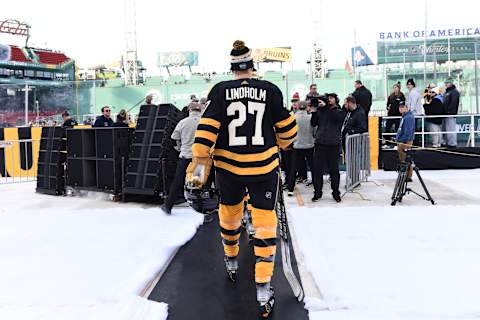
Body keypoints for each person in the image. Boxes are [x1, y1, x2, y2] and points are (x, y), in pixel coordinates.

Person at [187, 40, 297, 318]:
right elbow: (287, 132)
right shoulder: (270, 90)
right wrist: (282, 142)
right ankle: (262, 287)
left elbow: (205, 134)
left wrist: (197, 172)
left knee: (230, 216)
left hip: (229, 169)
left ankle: (232, 258)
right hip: (263, 169)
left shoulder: (220, 90)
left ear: (232, 67)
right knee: (265, 225)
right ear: (253, 66)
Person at [161, 102, 203, 215]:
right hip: (199, 158)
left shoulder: (183, 122)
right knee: (197, 184)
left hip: (185, 156)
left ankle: (168, 206)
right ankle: (200, 210)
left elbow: (174, 137)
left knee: (178, 182)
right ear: (200, 110)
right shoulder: (204, 121)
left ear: (189, 110)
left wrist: (180, 148)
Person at [310, 92, 345, 203]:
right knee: (317, 170)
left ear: (336, 100)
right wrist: (315, 111)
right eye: (327, 98)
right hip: (320, 143)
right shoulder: (321, 111)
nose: (329, 100)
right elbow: (313, 123)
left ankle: (335, 192)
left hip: (333, 145)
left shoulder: (339, 111)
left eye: (331, 98)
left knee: (334, 171)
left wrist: (325, 108)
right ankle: (317, 192)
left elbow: (335, 118)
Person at [287, 100, 314, 196]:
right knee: (313, 167)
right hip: (309, 145)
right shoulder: (311, 117)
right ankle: (316, 186)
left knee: (293, 168)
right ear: (307, 107)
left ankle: (290, 189)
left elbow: (290, 131)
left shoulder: (293, 117)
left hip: (297, 145)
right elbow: (314, 131)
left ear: (297, 107)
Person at [396, 101, 415, 181]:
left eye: (403, 107)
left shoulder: (408, 117)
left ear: (407, 108)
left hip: (405, 142)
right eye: (400, 107)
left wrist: (401, 140)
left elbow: (408, 132)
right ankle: (405, 175)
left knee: (405, 159)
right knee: (403, 159)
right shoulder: (405, 116)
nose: (401, 109)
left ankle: (407, 176)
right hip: (402, 141)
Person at [443, 78, 460, 147]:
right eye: (446, 83)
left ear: (451, 83)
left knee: (451, 129)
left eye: (447, 83)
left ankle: (452, 143)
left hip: (450, 114)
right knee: (448, 129)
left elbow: (454, 103)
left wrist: (448, 111)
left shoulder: (454, 92)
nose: (446, 84)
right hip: (446, 114)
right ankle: (450, 142)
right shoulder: (447, 92)